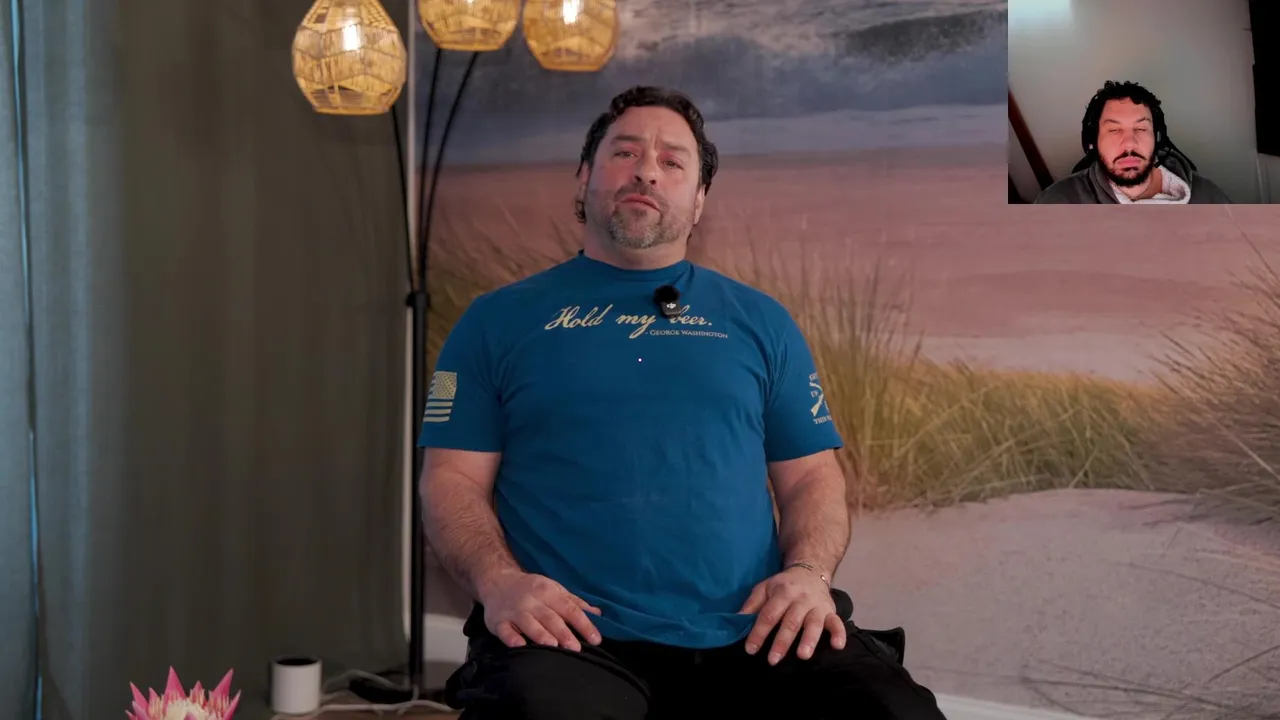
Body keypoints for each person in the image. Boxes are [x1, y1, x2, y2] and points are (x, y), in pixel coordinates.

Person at [418, 85, 946, 720]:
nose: (646, 170)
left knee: (896, 711)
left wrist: (809, 574)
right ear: (584, 177)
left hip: (755, 630)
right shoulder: (496, 321)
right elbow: (450, 479)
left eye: (672, 161)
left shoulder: (762, 322)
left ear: (698, 202)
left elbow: (813, 475)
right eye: (625, 153)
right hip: (571, 636)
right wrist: (498, 583)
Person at [1035, 80, 1231, 204]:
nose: (1129, 143)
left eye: (1141, 129)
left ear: (1157, 138)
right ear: (1093, 142)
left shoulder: (1210, 199)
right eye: (1114, 130)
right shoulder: (1056, 203)